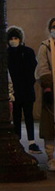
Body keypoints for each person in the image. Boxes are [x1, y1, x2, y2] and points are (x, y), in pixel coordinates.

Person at [7, 26, 40, 153]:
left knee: (28, 116)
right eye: (11, 38)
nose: (13, 40)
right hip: (16, 90)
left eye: (16, 38)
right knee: (16, 116)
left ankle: (31, 141)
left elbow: (34, 70)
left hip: (25, 89)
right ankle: (18, 140)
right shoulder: (8, 53)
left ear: (20, 39)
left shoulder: (28, 52)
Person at [35, 17, 55, 170]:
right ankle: (51, 158)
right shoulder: (46, 47)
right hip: (51, 92)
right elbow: (42, 67)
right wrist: (47, 87)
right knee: (49, 127)